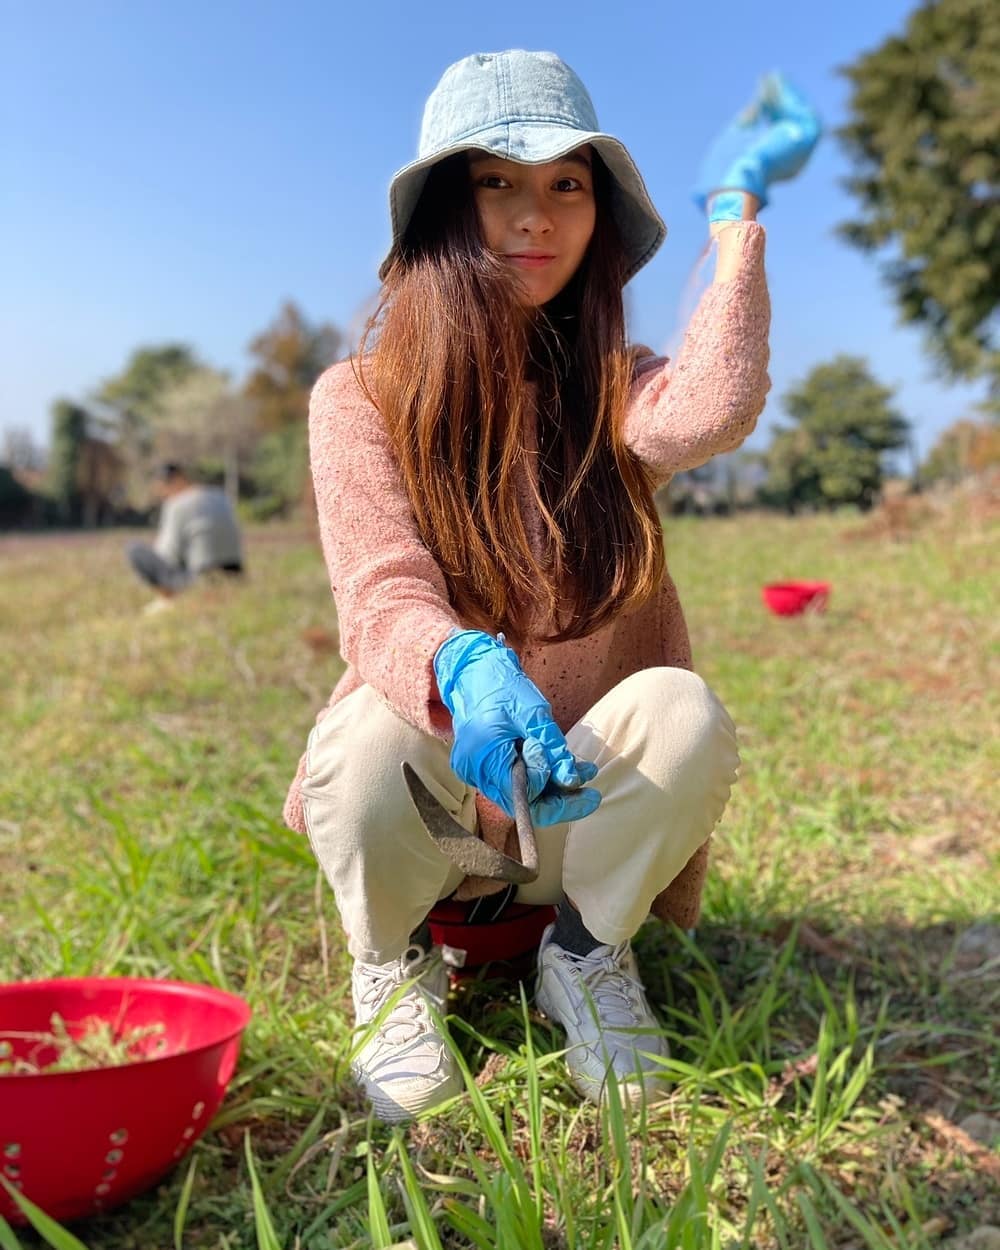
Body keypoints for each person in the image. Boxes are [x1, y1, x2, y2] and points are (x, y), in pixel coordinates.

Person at [283, 51, 820, 1122]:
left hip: (572, 829)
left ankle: (584, 953)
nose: (536, 215)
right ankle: (391, 967)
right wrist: (458, 661)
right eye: (497, 181)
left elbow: (712, 408)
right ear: (446, 209)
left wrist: (735, 213)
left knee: (681, 712)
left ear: (598, 212)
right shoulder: (361, 397)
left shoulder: (613, 389)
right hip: (434, 825)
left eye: (567, 184)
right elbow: (381, 590)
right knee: (369, 731)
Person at [127, 463, 244, 609]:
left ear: (172, 482)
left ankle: (168, 601)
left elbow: (168, 553)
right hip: (235, 574)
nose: (163, 496)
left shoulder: (176, 504)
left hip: (200, 578)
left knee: (134, 549)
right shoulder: (220, 496)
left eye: (162, 490)